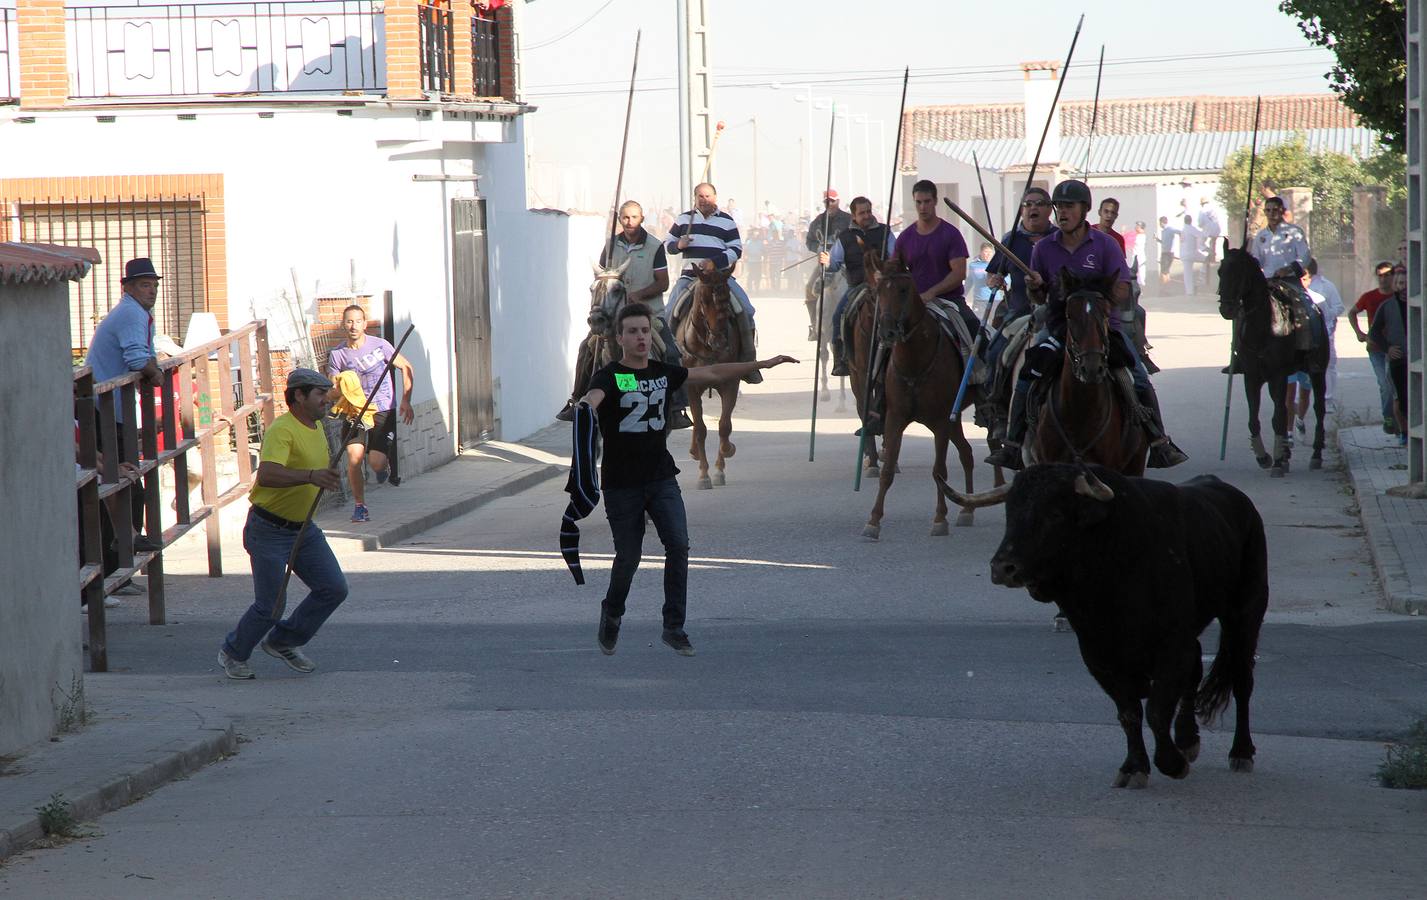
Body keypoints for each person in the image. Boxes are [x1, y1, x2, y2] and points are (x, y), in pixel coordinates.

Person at [577, 303, 797, 657]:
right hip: (622, 484)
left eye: (645, 331)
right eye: (632, 331)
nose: (641, 337)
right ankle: (613, 612)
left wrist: (759, 364)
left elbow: (712, 373)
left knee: (678, 545)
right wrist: (586, 404)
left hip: (661, 478)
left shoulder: (664, 372)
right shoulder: (610, 376)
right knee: (629, 556)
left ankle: (674, 627)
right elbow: (595, 396)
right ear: (619, 338)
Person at [985, 179, 1187, 470]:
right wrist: (1035, 287)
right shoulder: (1043, 249)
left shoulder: (1104, 245)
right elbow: (1039, 298)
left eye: (1069, 206)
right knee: (1028, 375)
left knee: (1138, 377)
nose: (1061, 213)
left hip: (1103, 327)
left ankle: (1158, 442)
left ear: (1084, 210)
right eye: (1058, 207)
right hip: (1059, 328)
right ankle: (1014, 445)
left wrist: (1091, 292)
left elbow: (1121, 289)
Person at [217, 368, 348, 680]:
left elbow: (314, 471)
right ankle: (233, 653)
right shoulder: (283, 429)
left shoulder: (316, 427)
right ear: (299, 396)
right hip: (268, 529)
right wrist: (312, 476)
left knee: (333, 588)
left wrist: (324, 475)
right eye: (319, 394)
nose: (326, 401)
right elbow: (268, 475)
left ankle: (283, 640)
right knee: (271, 605)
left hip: (304, 529)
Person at [557, 200, 686, 425]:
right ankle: (576, 400)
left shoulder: (654, 246)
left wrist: (637, 295)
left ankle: (676, 408)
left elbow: (663, 282)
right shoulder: (610, 246)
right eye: (625, 217)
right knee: (585, 349)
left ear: (642, 218)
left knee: (670, 351)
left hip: (649, 313)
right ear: (620, 220)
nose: (629, 222)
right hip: (614, 317)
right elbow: (602, 278)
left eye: (634, 217)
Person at [85, 258, 166, 572]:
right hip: (102, 408)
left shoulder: (137, 312)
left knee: (125, 478)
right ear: (128, 287)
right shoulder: (131, 313)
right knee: (121, 478)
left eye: (155, 285)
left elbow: (144, 353)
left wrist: (153, 365)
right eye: (145, 285)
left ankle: (124, 553)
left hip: (112, 409)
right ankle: (121, 552)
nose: (152, 291)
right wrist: (156, 375)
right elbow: (136, 358)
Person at [665, 182, 762, 383]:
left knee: (746, 309)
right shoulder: (684, 219)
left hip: (719, 278)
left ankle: (748, 361)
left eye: (708, 196)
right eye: (700, 196)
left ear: (715, 198)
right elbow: (668, 245)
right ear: (695, 198)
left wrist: (714, 262)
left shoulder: (726, 221)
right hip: (690, 277)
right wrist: (679, 244)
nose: (704, 199)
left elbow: (736, 250)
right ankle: (669, 361)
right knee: (668, 312)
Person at [326, 305, 415, 524]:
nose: (353, 326)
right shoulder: (338, 354)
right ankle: (360, 506)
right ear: (343, 324)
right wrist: (343, 386)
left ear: (365, 324)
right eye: (348, 321)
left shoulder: (380, 346)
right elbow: (332, 389)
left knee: (375, 463)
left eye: (357, 321)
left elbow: (406, 367)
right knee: (354, 459)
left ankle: (383, 464)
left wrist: (406, 400)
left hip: (381, 409)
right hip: (355, 411)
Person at [818, 196, 895, 376]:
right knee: (838, 316)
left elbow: (895, 255)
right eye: (862, 213)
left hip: (884, 286)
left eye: (869, 211)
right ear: (854, 216)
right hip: (858, 287)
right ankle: (841, 358)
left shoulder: (885, 232)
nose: (867, 215)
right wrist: (827, 261)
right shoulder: (845, 238)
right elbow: (835, 263)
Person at [1350, 261, 1400, 432]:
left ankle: (1400, 419)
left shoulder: (1398, 296)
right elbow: (1352, 312)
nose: (1383, 279)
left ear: (1393, 276)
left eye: (1387, 275)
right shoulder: (1369, 297)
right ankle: (1388, 418)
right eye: (1380, 275)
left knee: (1396, 383)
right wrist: (1359, 333)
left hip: (1396, 348)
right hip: (1376, 349)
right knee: (1384, 383)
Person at [1367, 266, 1410, 447]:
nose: (1404, 287)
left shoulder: (1419, 303)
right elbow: (1374, 332)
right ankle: (1405, 432)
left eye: (1407, 283)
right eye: (1401, 284)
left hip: (1418, 359)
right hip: (1397, 359)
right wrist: (1388, 349)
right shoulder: (1388, 306)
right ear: (1395, 286)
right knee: (1399, 397)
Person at [1305, 258, 1345, 409]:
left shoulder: (1326, 286)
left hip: (1325, 332)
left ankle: (1327, 400)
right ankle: (1298, 400)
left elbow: (1338, 307)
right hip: (1303, 332)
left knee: (1328, 365)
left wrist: (1326, 315)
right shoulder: (1295, 286)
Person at [1250, 195, 1310, 278]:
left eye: (1275, 210)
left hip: (1290, 281)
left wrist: (1289, 269)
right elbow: (1256, 259)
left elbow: (1305, 256)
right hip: (1267, 281)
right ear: (1265, 212)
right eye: (1268, 210)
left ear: (1282, 211)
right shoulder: (1260, 236)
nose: (1271, 214)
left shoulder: (1294, 232)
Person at [1197, 197, 1222, 288]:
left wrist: (1202, 226)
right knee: (1213, 242)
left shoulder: (1202, 210)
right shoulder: (1213, 209)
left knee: (1200, 243)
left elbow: (1200, 223)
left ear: (1201, 203)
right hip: (1217, 230)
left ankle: (1209, 252)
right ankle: (1212, 253)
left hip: (1208, 230)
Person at [1179, 214, 1204, 295]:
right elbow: (1201, 235)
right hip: (1192, 253)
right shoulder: (1191, 228)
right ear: (1191, 221)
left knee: (1187, 274)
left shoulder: (1183, 229)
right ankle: (1201, 277)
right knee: (1207, 259)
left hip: (1183, 254)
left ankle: (1189, 292)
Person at [968, 242, 995, 315]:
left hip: (995, 299)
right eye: (986, 252)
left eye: (990, 252)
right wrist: (962, 295)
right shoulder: (973, 265)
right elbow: (969, 282)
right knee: (979, 323)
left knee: (994, 324)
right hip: (979, 300)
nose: (988, 254)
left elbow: (1006, 279)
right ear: (981, 252)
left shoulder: (996, 265)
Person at [1156, 216, 1179, 290]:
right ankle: (1167, 288)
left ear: (1162, 222)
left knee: (1164, 271)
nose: (1159, 225)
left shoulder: (1169, 229)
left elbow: (1179, 232)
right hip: (1167, 252)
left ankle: (1164, 289)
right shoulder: (1164, 231)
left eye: (1160, 223)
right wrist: (1157, 239)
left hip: (1167, 253)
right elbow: (1164, 242)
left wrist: (1182, 239)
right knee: (1166, 271)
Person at [744, 227, 765, 292]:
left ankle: (757, 289)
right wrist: (747, 256)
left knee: (758, 276)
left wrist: (761, 254)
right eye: (755, 235)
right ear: (752, 235)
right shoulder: (748, 242)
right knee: (750, 275)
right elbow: (746, 251)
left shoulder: (760, 242)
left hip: (758, 261)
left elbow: (763, 251)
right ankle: (750, 289)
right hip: (751, 261)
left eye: (757, 235)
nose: (756, 236)